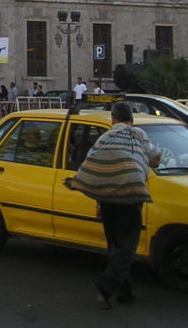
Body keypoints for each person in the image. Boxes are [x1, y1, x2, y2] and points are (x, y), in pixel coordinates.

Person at [67, 102, 161, 309]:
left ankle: (124, 291)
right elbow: (155, 160)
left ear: (112, 119)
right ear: (132, 119)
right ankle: (106, 285)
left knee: (115, 245)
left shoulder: (104, 138)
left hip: (107, 199)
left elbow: (96, 168)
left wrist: (99, 202)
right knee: (127, 246)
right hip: (130, 196)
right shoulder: (137, 134)